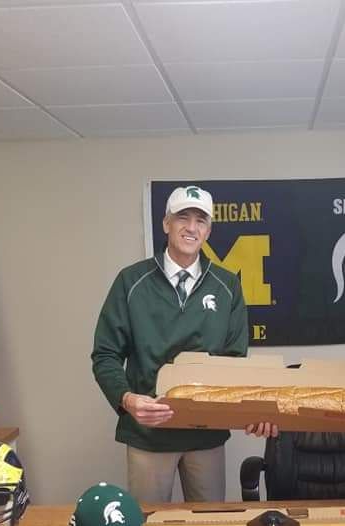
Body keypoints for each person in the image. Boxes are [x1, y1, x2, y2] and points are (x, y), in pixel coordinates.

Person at [91, 185, 251, 503]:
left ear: (208, 230)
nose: (191, 227)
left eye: (200, 220)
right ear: (166, 223)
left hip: (205, 434)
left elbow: (235, 360)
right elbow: (105, 354)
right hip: (148, 433)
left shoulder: (227, 286)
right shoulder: (131, 281)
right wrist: (127, 399)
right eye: (183, 217)